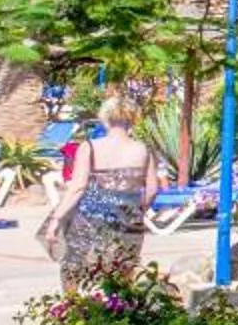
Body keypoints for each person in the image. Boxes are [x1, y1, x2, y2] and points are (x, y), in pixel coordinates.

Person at [40, 98, 156, 285]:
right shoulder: (143, 149)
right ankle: (116, 310)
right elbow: (152, 190)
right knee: (123, 273)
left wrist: (56, 219)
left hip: (92, 220)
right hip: (129, 219)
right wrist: (136, 209)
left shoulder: (90, 147)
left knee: (74, 269)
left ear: (105, 118)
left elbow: (78, 188)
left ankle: (75, 309)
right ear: (132, 119)